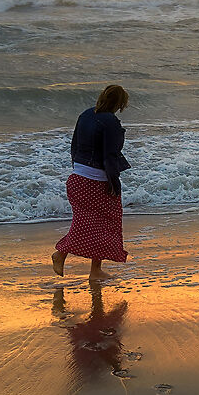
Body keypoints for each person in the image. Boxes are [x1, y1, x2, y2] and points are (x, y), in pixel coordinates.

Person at [54, 84, 132, 282]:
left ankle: (95, 270)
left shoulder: (85, 115)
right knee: (102, 225)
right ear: (120, 103)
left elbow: (74, 147)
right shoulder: (110, 121)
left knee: (88, 223)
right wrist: (115, 183)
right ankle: (62, 254)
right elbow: (109, 156)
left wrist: (77, 170)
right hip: (96, 182)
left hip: (78, 179)